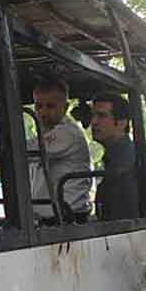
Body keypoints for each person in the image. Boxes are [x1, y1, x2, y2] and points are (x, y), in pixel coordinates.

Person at [78, 93, 146, 221]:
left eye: (101, 116)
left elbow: (124, 221)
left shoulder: (126, 163)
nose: (93, 122)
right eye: (93, 115)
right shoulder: (130, 154)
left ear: (122, 123)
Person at [27, 76, 92, 223]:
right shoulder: (45, 136)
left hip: (69, 220)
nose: (43, 113)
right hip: (50, 219)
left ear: (66, 107)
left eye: (50, 106)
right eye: (38, 106)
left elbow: (24, 151)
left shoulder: (68, 133)